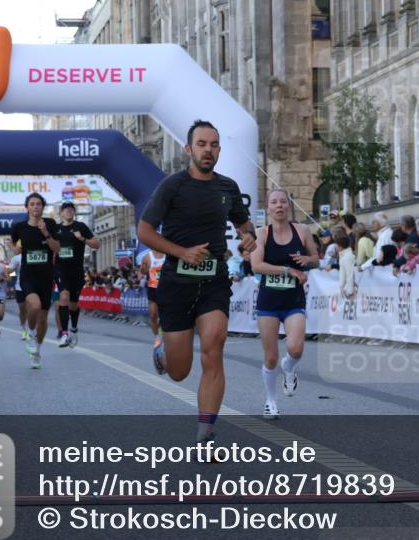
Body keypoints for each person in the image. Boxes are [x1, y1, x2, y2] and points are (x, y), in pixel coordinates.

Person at [136, 120, 256, 446]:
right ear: (189, 149)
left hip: (214, 280)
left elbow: (246, 227)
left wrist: (248, 240)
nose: (209, 150)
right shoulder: (171, 187)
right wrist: (182, 252)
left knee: (214, 347)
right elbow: (144, 232)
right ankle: (163, 353)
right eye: (202, 144)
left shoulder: (228, 188)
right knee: (179, 372)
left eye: (214, 144)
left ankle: (206, 433)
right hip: (176, 282)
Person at [250, 188, 319, 419]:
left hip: (293, 300)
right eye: (274, 202)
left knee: (295, 348)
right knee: (271, 357)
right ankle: (270, 401)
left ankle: (289, 368)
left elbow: (316, 259)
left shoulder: (302, 231)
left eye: (283, 202)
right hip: (268, 301)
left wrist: (308, 260)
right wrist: (288, 270)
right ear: (268, 208)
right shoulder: (261, 234)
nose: (279, 206)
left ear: (288, 206)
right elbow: (256, 265)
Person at [10, 192, 61, 368]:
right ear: (27, 207)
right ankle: (31, 333)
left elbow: (57, 249)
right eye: (32, 204)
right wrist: (14, 249)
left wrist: (45, 232)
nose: (35, 207)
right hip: (28, 276)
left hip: (46, 276)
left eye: (38, 204)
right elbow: (12, 242)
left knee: (44, 319)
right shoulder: (20, 227)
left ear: (42, 207)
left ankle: (37, 350)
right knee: (35, 306)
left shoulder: (51, 224)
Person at [53, 201, 100, 348]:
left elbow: (96, 244)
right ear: (61, 213)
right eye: (65, 210)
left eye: (71, 210)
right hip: (61, 269)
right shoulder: (56, 229)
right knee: (64, 297)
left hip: (77, 271)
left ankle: (73, 326)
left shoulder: (80, 227)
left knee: (73, 304)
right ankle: (65, 333)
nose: (68, 212)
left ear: (74, 212)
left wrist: (82, 239)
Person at [139, 247, 166, 352]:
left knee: (166, 316)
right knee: (153, 315)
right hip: (153, 289)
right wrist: (143, 268)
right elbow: (142, 272)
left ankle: (165, 334)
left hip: (167, 289)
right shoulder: (147, 257)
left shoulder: (168, 255)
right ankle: (157, 337)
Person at [7, 251, 29, 339]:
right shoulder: (16, 258)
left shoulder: (33, 254)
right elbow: (10, 272)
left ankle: (31, 329)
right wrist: (13, 269)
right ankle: (24, 329)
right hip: (20, 286)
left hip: (33, 286)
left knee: (31, 309)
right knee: (22, 309)